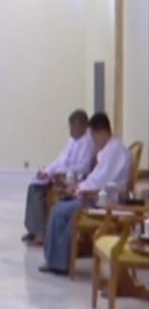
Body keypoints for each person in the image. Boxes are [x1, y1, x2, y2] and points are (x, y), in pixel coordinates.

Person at [40, 112, 131, 275]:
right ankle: (55, 260)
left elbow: (100, 182)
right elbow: (96, 177)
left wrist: (79, 189)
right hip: (95, 195)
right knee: (58, 208)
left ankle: (59, 263)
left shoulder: (114, 151)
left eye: (94, 137)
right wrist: (78, 186)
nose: (93, 142)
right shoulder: (110, 149)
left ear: (101, 132)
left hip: (104, 202)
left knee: (61, 211)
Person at [21, 110, 95, 245]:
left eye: (74, 128)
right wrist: (47, 171)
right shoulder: (73, 140)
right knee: (33, 186)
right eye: (70, 127)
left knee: (38, 191)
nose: (71, 131)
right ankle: (33, 229)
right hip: (60, 175)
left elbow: (82, 168)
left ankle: (42, 234)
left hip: (72, 179)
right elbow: (61, 159)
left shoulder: (88, 142)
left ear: (83, 126)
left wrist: (60, 173)